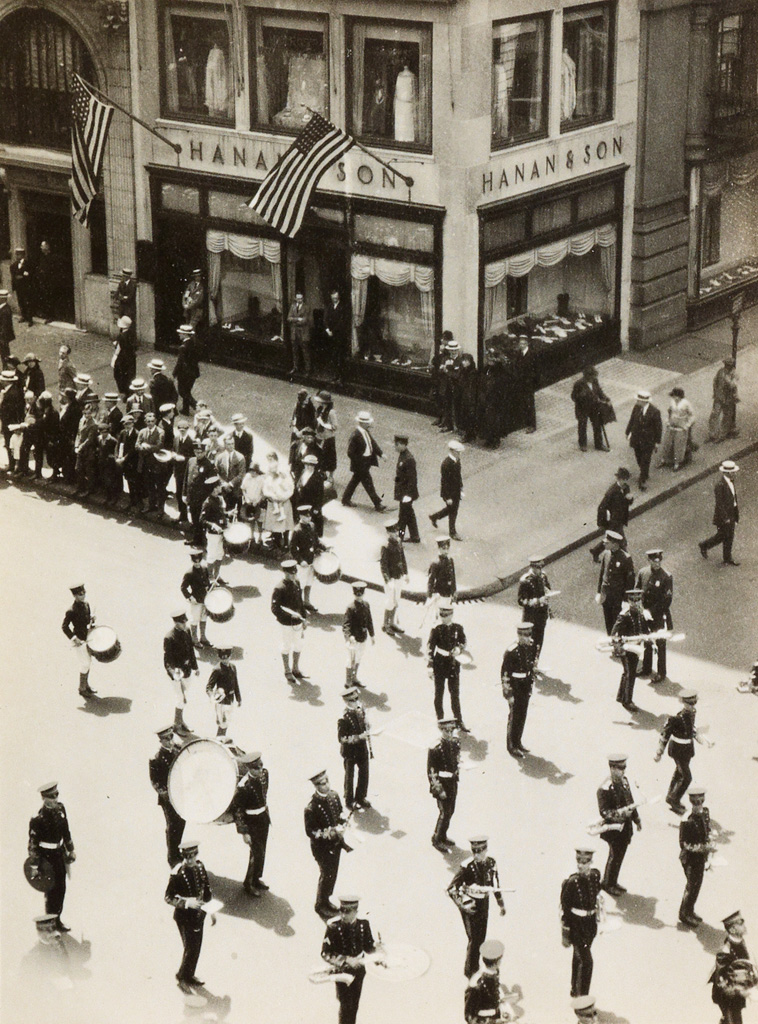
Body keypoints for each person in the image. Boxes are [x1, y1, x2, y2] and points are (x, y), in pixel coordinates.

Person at [448, 835, 506, 978]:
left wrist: (501, 904)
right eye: (475, 851)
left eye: (480, 851)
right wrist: (463, 905)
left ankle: (479, 966)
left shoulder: (491, 863)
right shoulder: (467, 867)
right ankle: (470, 972)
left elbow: (495, 884)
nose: (477, 855)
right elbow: (452, 889)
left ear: (486, 849)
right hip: (470, 904)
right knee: (474, 940)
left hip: (484, 903)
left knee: (481, 936)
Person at [164, 839, 215, 994]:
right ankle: (181, 977)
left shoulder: (200, 867)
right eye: (188, 857)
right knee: (190, 948)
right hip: (184, 917)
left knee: (196, 948)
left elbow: (206, 891)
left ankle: (190, 975)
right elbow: (168, 897)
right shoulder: (178, 874)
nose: (191, 860)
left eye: (193, 855)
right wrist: (186, 903)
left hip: (199, 915)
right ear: (183, 857)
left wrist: (211, 910)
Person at [28, 782, 76, 932]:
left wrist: (71, 850)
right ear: (44, 799)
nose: (55, 799)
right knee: (50, 891)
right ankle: (50, 923)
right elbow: (33, 845)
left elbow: (66, 831)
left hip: (59, 855)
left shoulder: (61, 809)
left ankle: (58, 920)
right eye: (51, 797)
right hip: (46, 859)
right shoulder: (38, 819)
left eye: (56, 795)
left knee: (61, 888)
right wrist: (35, 867)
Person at [321, 896, 378, 1024]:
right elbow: (325, 953)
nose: (343, 915)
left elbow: (368, 947)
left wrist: (377, 950)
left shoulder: (364, 925)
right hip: (343, 971)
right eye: (341, 911)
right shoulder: (333, 927)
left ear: (355, 912)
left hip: (359, 970)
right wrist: (345, 960)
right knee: (345, 1005)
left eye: (348, 912)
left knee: (354, 1005)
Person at [655, 690, 713, 813]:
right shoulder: (676, 719)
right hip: (678, 750)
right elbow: (665, 735)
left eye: (694, 703)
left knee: (679, 773)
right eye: (689, 704)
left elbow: (691, 729)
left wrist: (701, 739)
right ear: (683, 703)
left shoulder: (692, 714)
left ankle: (671, 796)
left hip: (687, 750)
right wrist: (659, 753)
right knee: (687, 777)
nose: (692, 706)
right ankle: (674, 800)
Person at [304, 769, 351, 919]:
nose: (326, 785)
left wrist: (343, 822)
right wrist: (329, 833)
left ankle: (327, 899)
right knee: (326, 875)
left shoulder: (334, 795)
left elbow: (340, 812)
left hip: (336, 844)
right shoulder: (311, 807)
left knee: (333, 874)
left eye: (327, 781)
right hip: (322, 848)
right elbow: (311, 832)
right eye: (322, 783)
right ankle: (320, 904)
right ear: (316, 786)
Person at [596, 753, 641, 896]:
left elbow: (630, 801)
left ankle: (613, 881)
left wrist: (636, 819)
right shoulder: (604, 788)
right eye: (621, 768)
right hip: (613, 829)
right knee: (614, 855)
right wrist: (620, 814)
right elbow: (604, 812)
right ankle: (607, 883)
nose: (623, 771)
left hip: (625, 827)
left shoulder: (624, 781)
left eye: (624, 767)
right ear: (612, 768)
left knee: (620, 855)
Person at [561, 844, 602, 998]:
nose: (581, 865)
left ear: (590, 863)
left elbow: (596, 893)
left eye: (585, 862)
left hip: (590, 925)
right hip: (576, 926)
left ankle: (574, 988)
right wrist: (566, 932)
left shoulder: (595, 876)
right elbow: (564, 908)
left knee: (578, 958)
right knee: (587, 962)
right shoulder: (571, 882)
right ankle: (583, 999)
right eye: (579, 861)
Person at [233, 751, 271, 896]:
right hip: (252, 822)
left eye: (261, 766)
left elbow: (264, 793)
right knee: (256, 853)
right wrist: (244, 832)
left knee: (262, 851)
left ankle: (256, 878)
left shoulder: (264, 775)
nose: (260, 770)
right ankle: (249, 883)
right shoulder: (243, 787)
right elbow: (238, 811)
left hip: (263, 818)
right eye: (256, 768)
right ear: (249, 768)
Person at [427, 601, 468, 730]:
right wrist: (430, 666)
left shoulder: (458, 628)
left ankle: (458, 720)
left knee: (455, 694)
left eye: (445, 616)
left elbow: (463, 641)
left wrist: (459, 649)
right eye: (441, 615)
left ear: (451, 615)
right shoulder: (436, 629)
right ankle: (441, 719)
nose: (443, 618)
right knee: (439, 694)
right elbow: (430, 648)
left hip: (452, 664)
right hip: (439, 663)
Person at [677, 786, 714, 927]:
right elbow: (684, 844)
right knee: (691, 886)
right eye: (696, 802)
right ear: (691, 801)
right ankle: (684, 913)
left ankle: (690, 910)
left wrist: (710, 838)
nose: (699, 805)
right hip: (690, 859)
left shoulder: (705, 812)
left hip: (700, 858)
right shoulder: (686, 819)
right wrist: (703, 848)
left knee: (697, 886)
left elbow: (707, 828)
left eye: (701, 801)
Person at [149, 724, 185, 867]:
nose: (170, 741)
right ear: (160, 741)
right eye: (166, 739)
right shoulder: (156, 758)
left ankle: (178, 850)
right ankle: (172, 856)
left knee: (181, 823)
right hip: (169, 799)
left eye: (171, 737)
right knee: (172, 826)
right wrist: (168, 795)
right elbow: (155, 782)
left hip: (181, 795)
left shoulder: (177, 750)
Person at [710, 911, 754, 1024]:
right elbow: (721, 980)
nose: (744, 926)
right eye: (740, 924)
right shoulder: (726, 950)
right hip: (728, 997)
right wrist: (738, 990)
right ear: (733, 930)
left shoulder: (741, 942)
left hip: (737, 993)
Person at [636, 548, 673, 682]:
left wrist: (650, 612)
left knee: (660, 644)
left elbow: (666, 600)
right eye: (654, 561)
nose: (657, 564)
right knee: (647, 641)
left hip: (659, 615)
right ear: (649, 561)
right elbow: (637, 593)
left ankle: (661, 673)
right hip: (645, 614)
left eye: (659, 561)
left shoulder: (666, 577)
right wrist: (641, 610)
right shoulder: (643, 573)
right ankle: (646, 668)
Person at [610, 588, 649, 713]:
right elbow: (614, 634)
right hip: (627, 650)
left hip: (636, 648)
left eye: (638, 600)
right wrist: (618, 646)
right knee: (630, 674)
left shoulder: (640, 613)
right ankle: (627, 701)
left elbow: (644, 629)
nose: (635, 603)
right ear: (628, 601)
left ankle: (621, 696)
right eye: (633, 601)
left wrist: (649, 640)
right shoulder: (624, 615)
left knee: (627, 673)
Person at [501, 622, 536, 758]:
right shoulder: (511, 651)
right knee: (514, 716)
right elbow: (505, 674)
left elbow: (530, 666)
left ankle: (518, 741)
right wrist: (508, 693)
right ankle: (511, 745)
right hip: (515, 686)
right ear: (519, 635)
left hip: (525, 685)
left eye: (529, 635)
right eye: (525, 635)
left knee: (522, 715)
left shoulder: (530, 647)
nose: (527, 638)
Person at [163, 608, 199, 735]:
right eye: (182, 623)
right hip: (177, 675)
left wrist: (195, 667)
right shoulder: (169, 637)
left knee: (183, 699)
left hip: (187, 671)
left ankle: (181, 721)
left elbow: (191, 650)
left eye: (185, 622)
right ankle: (177, 726)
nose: (185, 625)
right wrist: (174, 673)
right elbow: (167, 661)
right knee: (181, 699)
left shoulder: (187, 630)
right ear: (176, 623)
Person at [271, 559, 307, 682]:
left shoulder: (296, 582)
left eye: (295, 573)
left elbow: (300, 602)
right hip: (286, 624)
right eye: (291, 573)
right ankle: (287, 670)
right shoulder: (279, 588)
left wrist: (304, 618)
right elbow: (275, 609)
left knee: (298, 645)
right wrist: (291, 616)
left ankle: (295, 669)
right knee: (286, 646)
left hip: (298, 623)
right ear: (285, 573)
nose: (294, 575)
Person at [699, 460, 740, 566]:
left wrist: (735, 514)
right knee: (722, 536)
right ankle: (704, 545)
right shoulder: (720, 485)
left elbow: (733, 499)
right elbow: (720, 504)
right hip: (723, 516)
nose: (734, 474)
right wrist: (725, 517)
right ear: (727, 473)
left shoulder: (730, 482)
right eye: (733, 472)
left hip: (731, 513)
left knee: (729, 536)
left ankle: (727, 558)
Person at [427, 718, 460, 851]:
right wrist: (439, 790)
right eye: (446, 730)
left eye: (451, 730)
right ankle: (436, 838)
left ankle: (443, 835)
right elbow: (431, 772)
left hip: (452, 782)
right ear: (441, 730)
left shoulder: (455, 744)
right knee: (444, 812)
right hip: (442, 783)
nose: (449, 733)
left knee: (451, 810)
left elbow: (456, 761)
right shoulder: (435, 749)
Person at [342, 411, 386, 510]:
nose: (369, 424)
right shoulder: (355, 435)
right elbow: (350, 452)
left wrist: (381, 454)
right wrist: (359, 462)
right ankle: (377, 503)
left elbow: (373, 444)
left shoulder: (366, 432)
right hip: (361, 464)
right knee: (368, 483)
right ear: (362, 423)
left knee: (354, 481)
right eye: (367, 423)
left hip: (366, 462)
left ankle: (345, 499)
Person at [61, 583, 97, 698]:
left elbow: (87, 620)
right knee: (85, 663)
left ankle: (86, 686)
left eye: (84, 593)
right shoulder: (71, 610)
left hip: (87, 638)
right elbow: (64, 627)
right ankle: (82, 688)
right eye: (80, 594)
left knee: (88, 662)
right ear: (75, 596)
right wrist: (74, 638)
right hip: (79, 640)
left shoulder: (86, 605)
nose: (83, 595)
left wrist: (92, 620)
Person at [339, 687, 372, 811]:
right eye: (353, 700)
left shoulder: (360, 710)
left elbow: (363, 723)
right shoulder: (343, 718)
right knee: (350, 776)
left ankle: (361, 797)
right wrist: (359, 737)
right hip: (350, 752)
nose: (356, 702)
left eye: (357, 699)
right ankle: (349, 799)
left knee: (364, 773)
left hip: (362, 749)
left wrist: (367, 724)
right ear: (347, 702)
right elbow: (342, 738)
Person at [596, 531, 635, 635]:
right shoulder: (606, 554)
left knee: (618, 626)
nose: (604, 544)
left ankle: (619, 648)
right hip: (607, 597)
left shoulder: (625, 558)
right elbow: (602, 574)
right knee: (608, 624)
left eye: (607, 543)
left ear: (615, 544)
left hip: (618, 598)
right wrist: (599, 592)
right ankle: (612, 645)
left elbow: (630, 581)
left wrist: (626, 600)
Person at [517, 555, 552, 664]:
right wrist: (537, 601)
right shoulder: (525, 580)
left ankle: (535, 663)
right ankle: (527, 665)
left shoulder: (543, 576)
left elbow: (548, 588)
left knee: (539, 641)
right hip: (530, 617)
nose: (539, 570)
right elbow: (521, 601)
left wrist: (547, 592)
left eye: (540, 567)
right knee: (529, 642)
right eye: (537, 568)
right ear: (532, 567)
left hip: (542, 615)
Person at [625, 389, 662, 491]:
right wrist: (627, 432)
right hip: (636, 439)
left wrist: (657, 442)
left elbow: (658, 428)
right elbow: (632, 419)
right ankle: (644, 472)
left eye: (638, 400)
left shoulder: (655, 412)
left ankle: (642, 480)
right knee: (639, 458)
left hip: (648, 441)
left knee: (645, 460)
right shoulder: (637, 408)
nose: (637, 402)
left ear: (644, 401)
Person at [289, 506, 325, 613]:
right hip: (303, 563)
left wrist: (325, 547)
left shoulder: (312, 526)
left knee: (309, 582)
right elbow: (292, 548)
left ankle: (307, 602)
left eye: (309, 516)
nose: (308, 518)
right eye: (306, 516)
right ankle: (298, 605)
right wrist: (300, 561)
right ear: (301, 516)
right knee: (300, 585)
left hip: (311, 560)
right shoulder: (297, 530)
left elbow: (316, 541)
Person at [464, 939, 506, 1023]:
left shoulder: (494, 972)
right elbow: (470, 1017)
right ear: (497, 962)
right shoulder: (476, 983)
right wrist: (493, 1021)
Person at [429, 439, 464, 539]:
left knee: (451, 509)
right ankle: (452, 532)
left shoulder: (457, 461)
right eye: (458, 452)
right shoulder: (446, 464)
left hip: (456, 490)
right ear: (452, 451)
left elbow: (458, 476)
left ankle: (434, 517)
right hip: (449, 493)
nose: (459, 454)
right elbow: (444, 482)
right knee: (453, 511)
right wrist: (447, 497)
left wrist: (461, 488)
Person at [422, 535, 457, 632]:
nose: (446, 551)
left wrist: (454, 591)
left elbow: (453, 577)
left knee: (447, 613)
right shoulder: (435, 563)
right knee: (437, 615)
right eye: (443, 548)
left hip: (448, 593)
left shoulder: (450, 561)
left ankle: (444, 632)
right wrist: (430, 594)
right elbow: (431, 579)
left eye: (447, 548)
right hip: (439, 593)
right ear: (439, 548)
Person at [343, 581, 375, 689]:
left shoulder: (366, 605)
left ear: (363, 594)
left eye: (360, 595)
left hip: (363, 637)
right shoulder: (350, 608)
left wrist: (372, 635)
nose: (359, 597)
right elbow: (346, 625)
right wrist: (348, 637)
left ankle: (354, 677)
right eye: (357, 595)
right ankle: (348, 681)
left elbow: (369, 620)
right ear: (354, 595)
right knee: (350, 660)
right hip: (354, 639)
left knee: (358, 659)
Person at [571, 365, 610, 452]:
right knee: (582, 426)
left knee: (597, 425)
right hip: (582, 409)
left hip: (594, 407)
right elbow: (573, 397)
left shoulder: (595, 381)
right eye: (592, 376)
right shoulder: (578, 384)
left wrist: (605, 398)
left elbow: (599, 392)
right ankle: (583, 444)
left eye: (594, 376)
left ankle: (599, 444)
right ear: (587, 376)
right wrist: (581, 395)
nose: (594, 378)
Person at [380, 522, 408, 636]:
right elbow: (383, 566)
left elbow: (402, 558)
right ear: (388, 533)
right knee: (389, 603)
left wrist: (406, 573)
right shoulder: (385, 546)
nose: (395, 533)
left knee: (396, 601)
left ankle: (392, 622)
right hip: (391, 579)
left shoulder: (399, 542)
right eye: (392, 531)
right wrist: (388, 580)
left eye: (396, 531)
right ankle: (385, 624)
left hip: (399, 576)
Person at [262, 451, 295, 550]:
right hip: (273, 502)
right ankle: (276, 542)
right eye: (269, 459)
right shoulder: (269, 476)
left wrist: (283, 497)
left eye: (272, 459)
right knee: (274, 525)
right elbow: (265, 488)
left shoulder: (284, 475)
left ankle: (285, 543)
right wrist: (270, 495)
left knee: (286, 524)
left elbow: (290, 488)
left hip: (283, 502)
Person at [206, 647, 241, 738]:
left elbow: (235, 683)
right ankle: (219, 740)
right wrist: (213, 697)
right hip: (222, 702)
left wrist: (238, 698)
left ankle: (221, 739)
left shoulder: (233, 667)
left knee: (227, 721)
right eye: (222, 657)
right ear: (219, 657)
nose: (224, 659)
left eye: (227, 657)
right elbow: (209, 687)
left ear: (230, 656)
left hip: (230, 699)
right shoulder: (217, 670)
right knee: (222, 723)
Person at [658, 387, 695, 471]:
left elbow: (692, 415)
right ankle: (664, 459)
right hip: (671, 426)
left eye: (675, 396)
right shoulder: (672, 402)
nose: (674, 398)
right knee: (667, 442)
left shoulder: (686, 403)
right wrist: (667, 421)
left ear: (679, 396)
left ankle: (677, 463)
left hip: (681, 427)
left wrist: (687, 425)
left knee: (679, 445)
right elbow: (669, 412)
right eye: (673, 396)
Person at [181, 549, 212, 648]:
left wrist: (210, 588)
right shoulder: (189, 573)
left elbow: (207, 582)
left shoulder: (204, 568)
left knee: (204, 618)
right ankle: (194, 639)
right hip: (196, 600)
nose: (197, 563)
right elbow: (183, 588)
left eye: (199, 560)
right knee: (195, 620)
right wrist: (190, 597)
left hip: (205, 599)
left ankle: (203, 637)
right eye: (195, 561)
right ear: (192, 561)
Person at [200, 477, 229, 582]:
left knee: (219, 555)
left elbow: (221, 513)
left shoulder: (219, 499)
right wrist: (213, 525)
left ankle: (217, 576)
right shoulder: (207, 502)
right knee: (212, 556)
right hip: (213, 534)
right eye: (218, 486)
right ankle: (210, 578)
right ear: (214, 489)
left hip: (221, 533)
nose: (220, 488)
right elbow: (202, 520)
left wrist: (228, 514)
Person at [393, 434, 420, 542]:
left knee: (402, 517)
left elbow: (412, 479)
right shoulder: (403, 455)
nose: (395, 447)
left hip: (406, 494)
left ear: (403, 444)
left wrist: (407, 496)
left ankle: (400, 537)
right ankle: (415, 536)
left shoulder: (408, 459)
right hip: (404, 493)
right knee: (409, 514)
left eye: (397, 444)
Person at [136, 410, 165, 513]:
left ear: (155, 421)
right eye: (148, 421)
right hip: (144, 463)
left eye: (152, 421)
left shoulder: (160, 432)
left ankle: (161, 509)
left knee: (159, 486)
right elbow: (137, 445)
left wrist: (146, 447)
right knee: (149, 486)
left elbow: (159, 446)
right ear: (145, 422)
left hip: (156, 463)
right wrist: (142, 447)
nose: (150, 423)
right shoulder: (142, 431)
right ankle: (151, 505)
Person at [293, 454, 326, 536]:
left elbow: (320, 494)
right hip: (300, 504)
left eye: (311, 465)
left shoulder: (318, 477)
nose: (308, 466)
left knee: (312, 528)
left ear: (314, 466)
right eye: (307, 464)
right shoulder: (302, 473)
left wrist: (317, 508)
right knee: (301, 527)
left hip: (311, 506)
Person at [708, 358, 739, 442]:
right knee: (714, 415)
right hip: (719, 396)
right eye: (725, 364)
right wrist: (715, 391)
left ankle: (722, 435)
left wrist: (727, 380)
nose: (726, 366)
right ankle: (713, 434)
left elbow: (733, 385)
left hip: (729, 398)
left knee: (727, 416)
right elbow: (715, 381)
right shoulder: (721, 371)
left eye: (728, 365)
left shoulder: (734, 374)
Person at [0, 367, 25, 472]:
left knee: (11, 444)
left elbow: (10, 410)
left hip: (10, 422)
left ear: (7, 381)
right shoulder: (10, 390)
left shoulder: (13, 393)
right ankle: (12, 464)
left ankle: (13, 465)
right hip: (8, 422)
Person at [512, 336, 538, 432]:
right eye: (520, 344)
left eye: (523, 344)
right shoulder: (519, 353)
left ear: (527, 344)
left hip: (528, 383)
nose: (521, 345)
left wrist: (530, 382)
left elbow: (534, 370)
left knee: (529, 403)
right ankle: (525, 422)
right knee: (523, 402)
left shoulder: (531, 354)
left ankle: (532, 425)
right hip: (521, 382)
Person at [172, 325, 200, 414]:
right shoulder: (193, 344)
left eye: (181, 333)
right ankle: (185, 409)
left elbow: (180, 362)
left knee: (183, 392)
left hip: (185, 373)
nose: (179, 335)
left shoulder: (183, 347)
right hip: (193, 372)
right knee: (187, 390)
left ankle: (198, 407)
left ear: (185, 334)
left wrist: (174, 373)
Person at [73, 401, 99, 497]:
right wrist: (76, 445)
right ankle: (80, 488)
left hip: (89, 451)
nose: (86, 415)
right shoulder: (81, 420)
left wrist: (80, 446)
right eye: (85, 413)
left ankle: (90, 490)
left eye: (88, 413)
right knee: (78, 469)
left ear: (92, 413)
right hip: (80, 449)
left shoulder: (94, 424)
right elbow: (78, 434)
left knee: (89, 471)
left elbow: (90, 439)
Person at [215, 433, 246, 512]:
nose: (231, 446)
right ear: (225, 445)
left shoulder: (240, 457)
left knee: (236, 513)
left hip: (236, 491)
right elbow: (216, 473)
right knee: (224, 513)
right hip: (223, 491)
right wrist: (223, 484)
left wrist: (230, 484)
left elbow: (241, 474)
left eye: (232, 444)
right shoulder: (219, 457)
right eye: (229, 444)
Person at [323, 290, 349, 383]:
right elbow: (325, 319)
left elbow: (342, 322)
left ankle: (341, 377)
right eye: (333, 298)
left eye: (336, 297)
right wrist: (327, 330)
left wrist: (333, 331)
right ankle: (335, 375)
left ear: (339, 297)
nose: (334, 299)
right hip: (331, 335)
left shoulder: (343, 307)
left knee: (340, 356)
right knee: (333, 356)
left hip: (339, 335)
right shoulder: (329, 306)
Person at [171, 418, 195, 523]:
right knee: (178, 493)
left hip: (186, 472)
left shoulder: (191, 442)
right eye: (180, 429)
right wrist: (173, 454)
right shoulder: (176, 439)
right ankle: (182, 514)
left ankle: (188, 516)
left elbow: (193, 457)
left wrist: (184, 458)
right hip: (178, 471)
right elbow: (173, 449)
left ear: (188, 429)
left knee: (186, 494)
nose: (182, 430)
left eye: (184, 429)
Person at [313, 390, 338, 479]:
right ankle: (321, 473)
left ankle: (331, 476)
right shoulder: (319, 410)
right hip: (319, 436)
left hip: (328, 438)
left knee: (329, 457)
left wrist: (323, 424)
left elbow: (334, 426)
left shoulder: (331, 412)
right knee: (319, 456)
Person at [455, 353, 479, 443]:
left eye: (466, 361)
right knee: (464, 416)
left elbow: (471, 386)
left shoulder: (473, 372)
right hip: (463, 396)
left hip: (469, 398)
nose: (463, 362)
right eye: (463, 360)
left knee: (469, 416)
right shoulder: (463, 371)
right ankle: (468, 434)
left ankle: (470, 435)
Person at [287, 291, 310, 374]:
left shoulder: (306, 307)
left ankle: (307, 370)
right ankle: (295, 367)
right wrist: (297, 319)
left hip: (303, 333)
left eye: (301, 298)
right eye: (298, 298)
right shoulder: (293, 306)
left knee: (305, 352)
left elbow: (305, 320)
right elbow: (288, 318)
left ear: (303, 298)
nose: (299, 300)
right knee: (295, 351)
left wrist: (294, 320)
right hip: (294, 333)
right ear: (295, 298)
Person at [112, 317, 136, 397]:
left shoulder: (121, 336)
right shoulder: (132, 333)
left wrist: (114, 358)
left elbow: (118, 349)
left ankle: (124, 391)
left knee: (119, 374)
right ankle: (129, 391)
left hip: (122, 358)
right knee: (130, 375)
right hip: (131, 358)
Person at [10, 247, 34, 325]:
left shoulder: (28, 264)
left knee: (28, 302)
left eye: (19, 254)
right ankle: (24, 316)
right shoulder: (13, 265)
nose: (18, 256)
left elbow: (30, 275)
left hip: (26, 286)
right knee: (21, 302)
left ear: (23, 255)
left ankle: (30, 319)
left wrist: (23, 277)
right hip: (18, 287)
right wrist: (13, 287)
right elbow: (13, 277)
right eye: (17, 254)